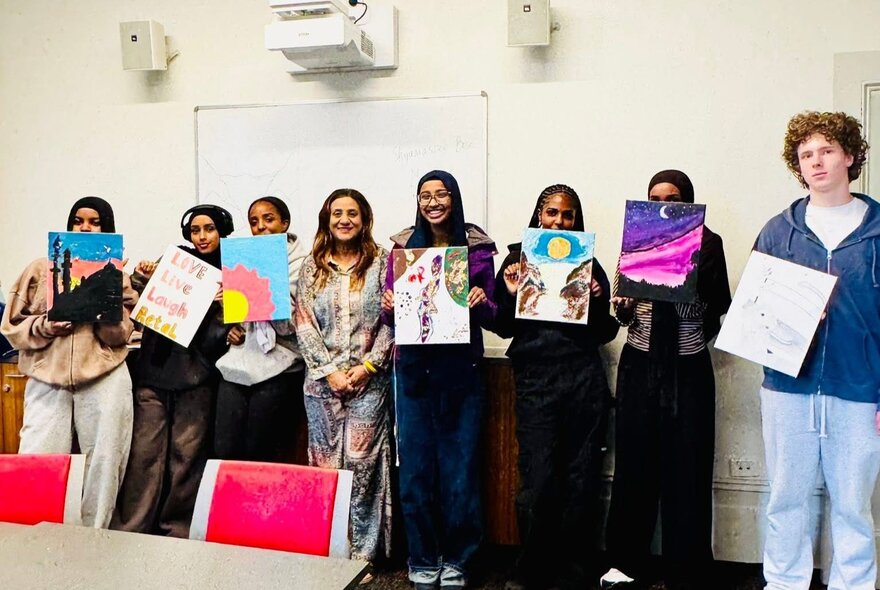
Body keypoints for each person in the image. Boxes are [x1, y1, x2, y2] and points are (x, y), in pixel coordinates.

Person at [753, 112, 879, 590]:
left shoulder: (877, 230)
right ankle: (783, 584)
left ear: (849, 156)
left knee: (853, 504)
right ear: (798, 166)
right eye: (806, 155)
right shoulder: (778, 231)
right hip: (787, 387)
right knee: (787, 499)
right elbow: (754, 313)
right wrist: (791, 315)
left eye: (826, 150)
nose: (816, 161)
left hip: (861, 390)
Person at [602, 170, 731, 590]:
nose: (663, 204)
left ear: (688, 201)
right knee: (633, 466)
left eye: (672, 197)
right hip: (639, 365)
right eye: (655, 197)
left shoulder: (709, 244)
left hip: (687, 368)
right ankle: (624, 564)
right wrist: (623, 301)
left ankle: (687, 571)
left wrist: (684, 281)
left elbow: (717, 310)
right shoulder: (636, 240)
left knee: (688, 468)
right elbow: (622, 316)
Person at [493, 184, 619, 590]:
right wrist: (510, 293)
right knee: (539, 479)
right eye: (551, 213)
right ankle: (531, 570)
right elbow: (502, 326)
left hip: (583, 379)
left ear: (576, 221)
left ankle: (575, 572)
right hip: (536, 382)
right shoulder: (517, 261)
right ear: (538, 216)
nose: (558, 222)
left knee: (581, 478)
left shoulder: (590, 264)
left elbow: (605, 331)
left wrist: (599, 298)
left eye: (567, 216)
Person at [382, 170, 498, 590]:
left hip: (460, 372)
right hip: (413, 373)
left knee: (460, 469)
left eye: (441, 194)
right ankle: (423, 555)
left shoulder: (477, 249)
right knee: (415, 470)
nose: (432, 202)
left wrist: (481, 301)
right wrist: (389, 304)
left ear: (454, 199)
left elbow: (495, 316)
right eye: (425, 195)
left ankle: (459, 559)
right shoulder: (402, 248)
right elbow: (390, 316)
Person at [1, 196, 136, 528]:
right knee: (38, 456)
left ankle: (95, 536)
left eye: (95, 222)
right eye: (78, 221)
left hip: (105, 374)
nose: (86, 227)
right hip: (48, 376)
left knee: (104, 460)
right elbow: (11, 328)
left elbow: (122, 336)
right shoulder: (38, 269)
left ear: (107, 228)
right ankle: (33, 535)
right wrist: (45, 326)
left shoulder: (117, 274)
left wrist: (107, 312)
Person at [111, 204, 234, 538]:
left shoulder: (234, 272)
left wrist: (222, 313)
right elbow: (140, 297)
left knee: (187, 458)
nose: (202, 236)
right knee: (143, 455)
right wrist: (142, 274)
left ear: (223, 231)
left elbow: (229, 333)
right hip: (154, 371)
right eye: (196, 230)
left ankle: (177, 530)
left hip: (198, 377)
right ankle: (132, 527)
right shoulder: (176, 260)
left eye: (209, 228)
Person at [294, 189, 393, 568]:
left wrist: (368, 367)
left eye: (352, 213)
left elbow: (393, 319)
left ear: (365, 219)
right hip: (321, 386)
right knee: (325, 468)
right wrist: (331, 372)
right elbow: (303, 322)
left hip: (371, 382)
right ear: (327, 219)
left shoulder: (383, 262)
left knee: (362, 466)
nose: (344, 220)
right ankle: (329, 552)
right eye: (337, 213)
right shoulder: (311, 266)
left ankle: (361, 558)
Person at [213, 196, 308, 462]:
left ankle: (262, 504)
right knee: (226, 448)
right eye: (254, 222)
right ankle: (230, 503)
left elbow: (295, 326)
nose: (261, 227)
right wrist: (233, 326)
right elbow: (238, 317)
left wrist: (269, 299)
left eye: (269, 219)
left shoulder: (303, 264)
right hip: (240, 362)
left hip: (281, 364)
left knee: (262, 449)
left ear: (284, 223)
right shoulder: (243, 257)